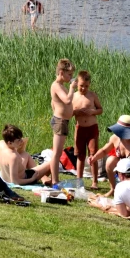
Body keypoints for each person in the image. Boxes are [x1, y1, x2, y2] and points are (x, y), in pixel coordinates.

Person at [89, 115, 130, 197]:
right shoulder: (115, 138)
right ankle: (113, 189)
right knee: (110, 160)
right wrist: (94, 158)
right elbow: (104, 150)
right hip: (121, 171)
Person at [72, 71, 103, 189]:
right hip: (79, 129)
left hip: (92, 128)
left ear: (89, 84)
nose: (83, 88)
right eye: (81, 85)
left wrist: (93, 112)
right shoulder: (74, 96)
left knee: (93, 155)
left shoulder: (92, 96)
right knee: (80, 155)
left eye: (86, 86)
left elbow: (100, 109)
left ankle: (95, 182)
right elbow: (68, 113)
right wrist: (76, 112)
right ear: (76, 83)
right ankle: (79, 181)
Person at [50, 59, 77, 187]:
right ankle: (54, 180)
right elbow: (66, 100)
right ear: (61, 72)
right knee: (57, 153)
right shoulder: (56, 85)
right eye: (69, 75)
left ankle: (54, 178)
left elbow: (53, 103)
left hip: (62, 121)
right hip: (60, 122)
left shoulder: (61, 86)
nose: (71, 77)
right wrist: (72, 88)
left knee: (58, 152)